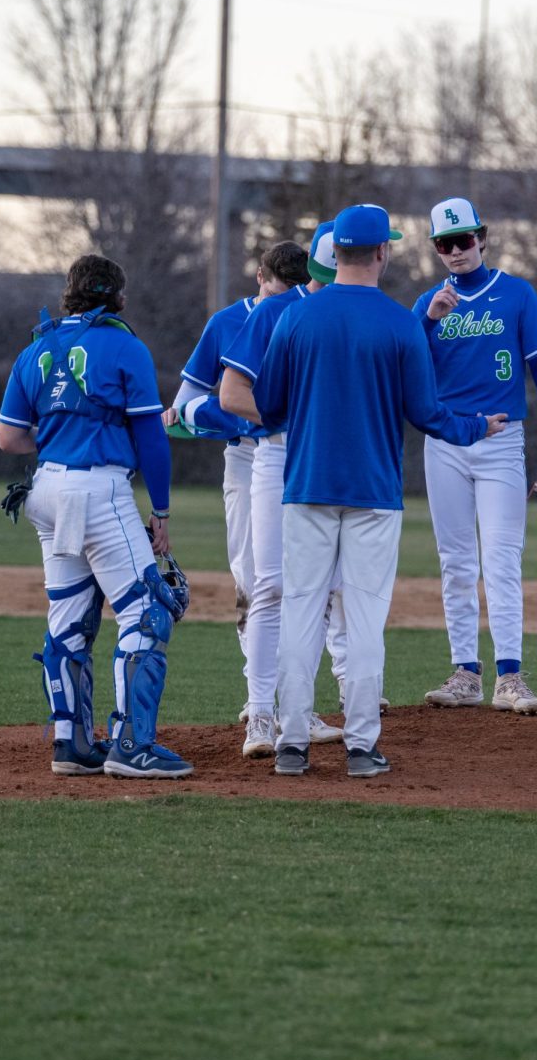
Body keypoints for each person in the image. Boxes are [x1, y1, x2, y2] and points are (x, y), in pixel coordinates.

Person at [222, 203, 507, 777]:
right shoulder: (402, 321)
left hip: (304, 487)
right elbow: (426, 413)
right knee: (363, 618)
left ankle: (292, 743)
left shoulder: (294, 320)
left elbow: (269, 407)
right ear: (382, 252)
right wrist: (477, 427)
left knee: (301, 611)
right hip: (375, 493)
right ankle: (360, 746)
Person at [0, 254, 192, 779]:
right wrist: (162, 511)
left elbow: (9, 437)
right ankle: (132, 745)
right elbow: (151, 437)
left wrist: (59, 438)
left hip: (46, 491)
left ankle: (71, 743)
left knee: (68, 622)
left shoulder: (36, 347)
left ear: (70, 295)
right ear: (119, 299)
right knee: (147, 614)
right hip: (98, 490)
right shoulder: (126, 346)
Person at [414, 197, 537, 715]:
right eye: (445, 243)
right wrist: (429, 322)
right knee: (456, 561)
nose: (456, 251)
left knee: (502, 558)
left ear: (482, 237)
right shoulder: (428, 305)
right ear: (436, 248)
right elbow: (402, 371)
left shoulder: (515, 294)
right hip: (445, 443)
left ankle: (510, 675)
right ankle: (466, 672)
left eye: (464, 240)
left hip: (502, 442)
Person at [213, 223, 347, 758]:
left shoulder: (351, 314)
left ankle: (300, 709)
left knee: (318, 592)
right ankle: (261, 716)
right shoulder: (274, 310)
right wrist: (295, 417)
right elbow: (229, 393)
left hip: (330, 460)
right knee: (270, 585)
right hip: (278, 454)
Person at [162, 240, 307, 722]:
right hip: (247, 460)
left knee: (309, 580)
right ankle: (259, 697)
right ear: (260, 278)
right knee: (254, 580)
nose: (281, 295)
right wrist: (237, 418)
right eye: (275, 285)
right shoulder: (228, 321)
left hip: (299, 454)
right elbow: (182, 410)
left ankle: (311, 697)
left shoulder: (307, 314)